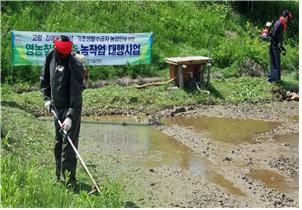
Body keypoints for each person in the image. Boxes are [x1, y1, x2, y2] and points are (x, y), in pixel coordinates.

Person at [40, 35, 84, 188]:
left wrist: (70, 116)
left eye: (64, 54)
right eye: (59, 52)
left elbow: (76, 94)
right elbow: (45, 78)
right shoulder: (51, 56)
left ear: (68, 52)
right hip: (56, 107)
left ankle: (70, 181)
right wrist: (47, 99)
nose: (61, 55)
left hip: (71, 108)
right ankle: (59, 175)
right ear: (56, 48)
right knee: (59, 142)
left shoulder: (75, 66)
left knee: (69, 146)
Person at [268, 10, 292, 83]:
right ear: (286, 17)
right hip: (274, 45)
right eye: (288, 18)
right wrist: (278, 45)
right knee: (275, 62)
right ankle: (274, 80)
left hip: (275, 45)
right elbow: (274, 35)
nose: (288, 20)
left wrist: (281, 47)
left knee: (275, 62)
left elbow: (279, 37)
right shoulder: (279, 24)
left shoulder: (281, 23)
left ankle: (275, 79)